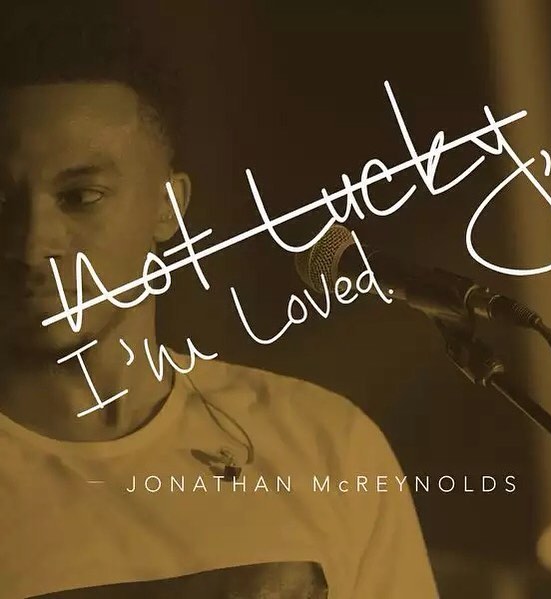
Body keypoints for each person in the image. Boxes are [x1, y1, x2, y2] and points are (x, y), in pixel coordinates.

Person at [0, 6, 438, 598]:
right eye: (2, 203)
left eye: (82, 197)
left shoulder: (324, 444)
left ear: (168, 208)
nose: (33, 243)